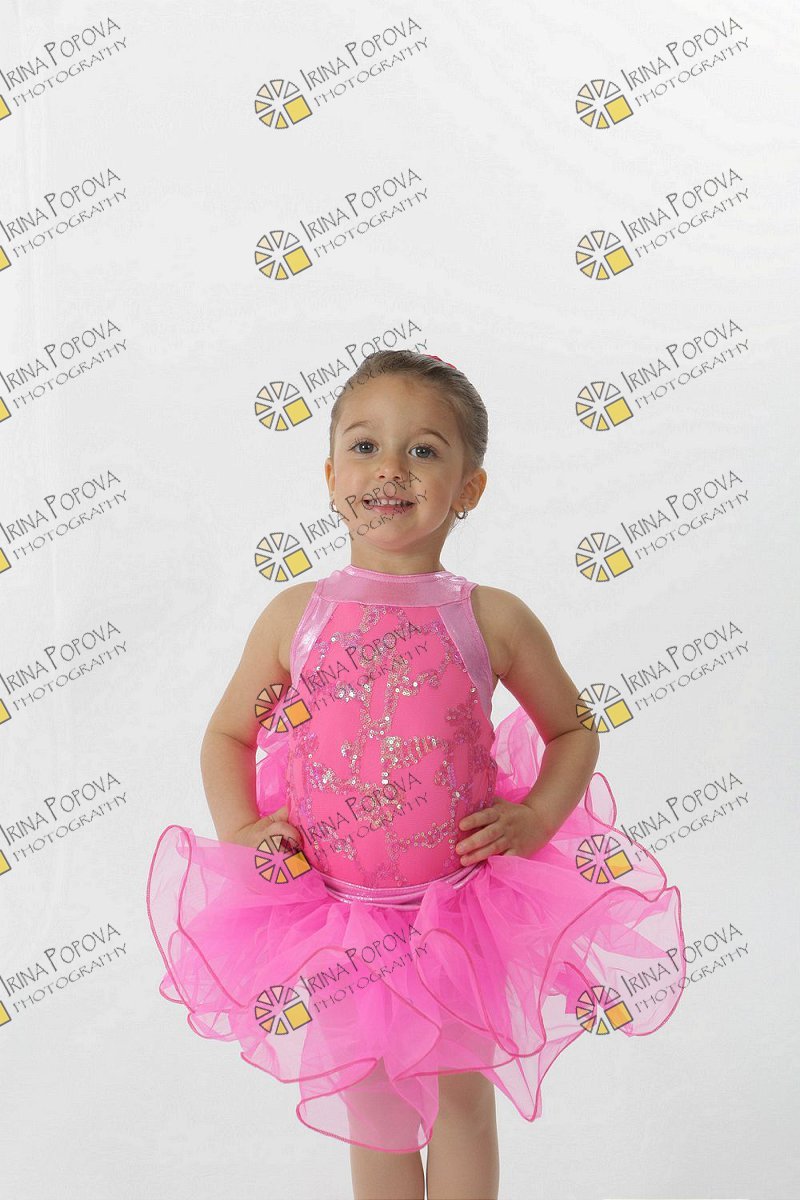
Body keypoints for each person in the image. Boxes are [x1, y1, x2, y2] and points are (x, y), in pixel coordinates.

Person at [146, 349, 686, 1200]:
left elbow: (573, 731)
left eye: (424, 450)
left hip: (461, 914)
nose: (390, 468)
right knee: (374, 1105)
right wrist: (241, 831)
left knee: (462, 1101)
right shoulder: (295, 617)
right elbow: (226, 734)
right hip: (335, 915)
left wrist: (538, 817)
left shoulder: (491, 617)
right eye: (364, 446)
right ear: (330, 475)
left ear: (470, 487)